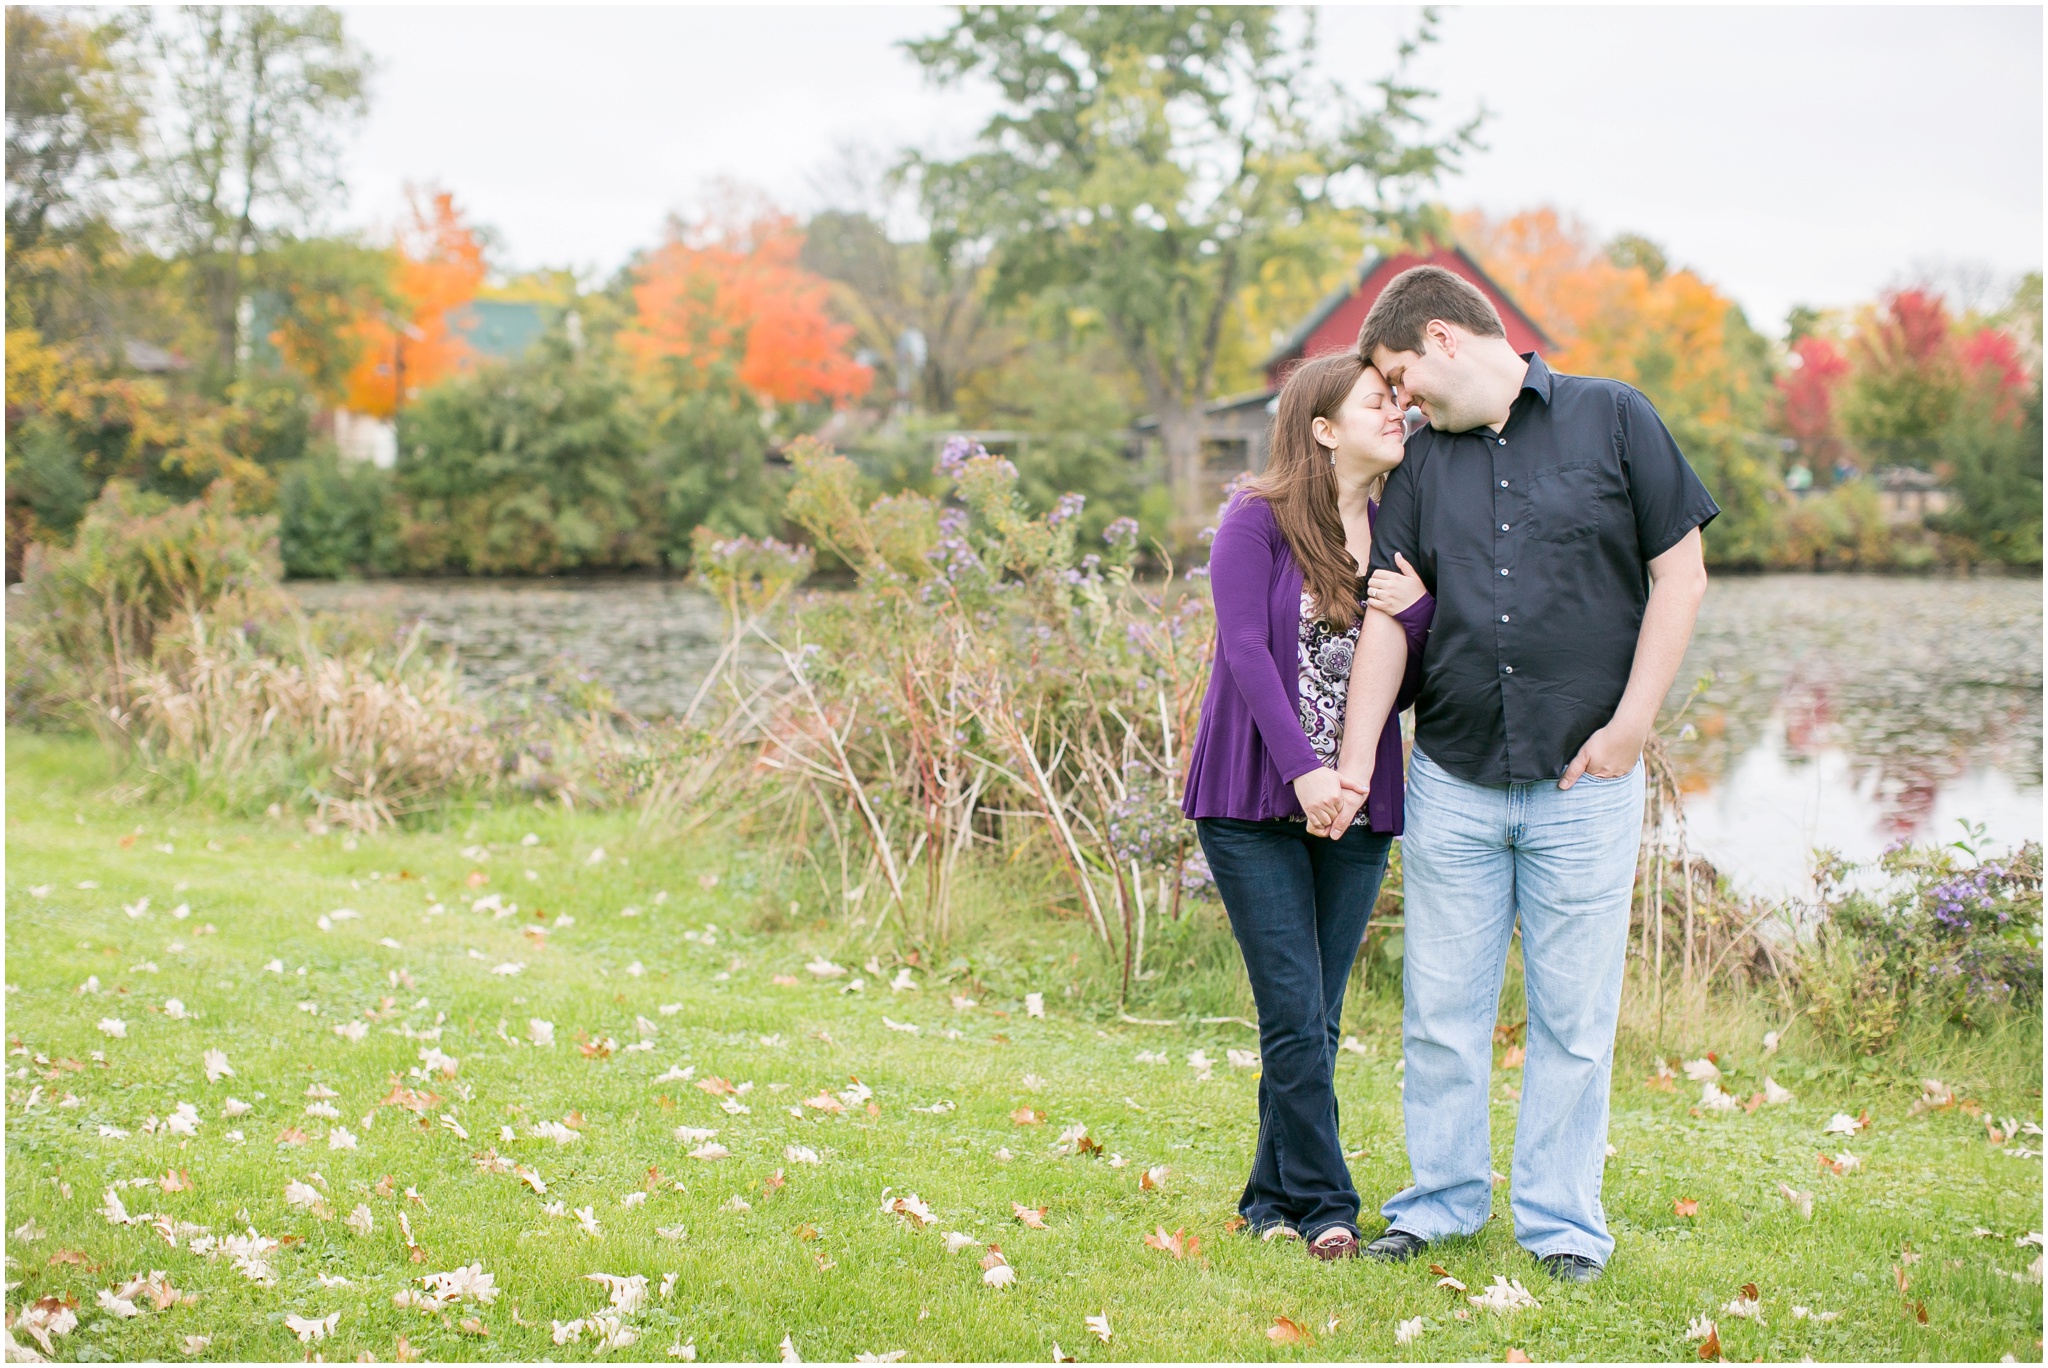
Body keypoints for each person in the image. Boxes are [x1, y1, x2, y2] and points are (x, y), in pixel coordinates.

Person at [1323, 266, 1717, 1284]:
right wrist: (1357, 762)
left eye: (1401, 377)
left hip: (1583, 784)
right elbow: (1383, 620)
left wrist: (1633, 725)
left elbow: (1679, 572)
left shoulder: (1613, 419)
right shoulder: (1418, 469)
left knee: (1573, 1023)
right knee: (1439, 1015)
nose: (1398, 402)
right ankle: (1439, 1206)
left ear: (1446, 339)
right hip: (1452, 776)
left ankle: (1561, 1228)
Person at [1180, 351, 1435, 1261]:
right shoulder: (1257, 519)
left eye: (1399, 399)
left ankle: (1266, 1200)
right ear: (1324, 428)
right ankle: (1330, 1206)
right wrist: (1302, 772)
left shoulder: (1404, 533)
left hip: (1357, 807)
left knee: (1315, 1019)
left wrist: (1420, 614)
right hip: (1254, 800)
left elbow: (1411, 676)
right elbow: (1246, 650)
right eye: (1378, 402)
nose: (1397, 412)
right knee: (1294, 1012)